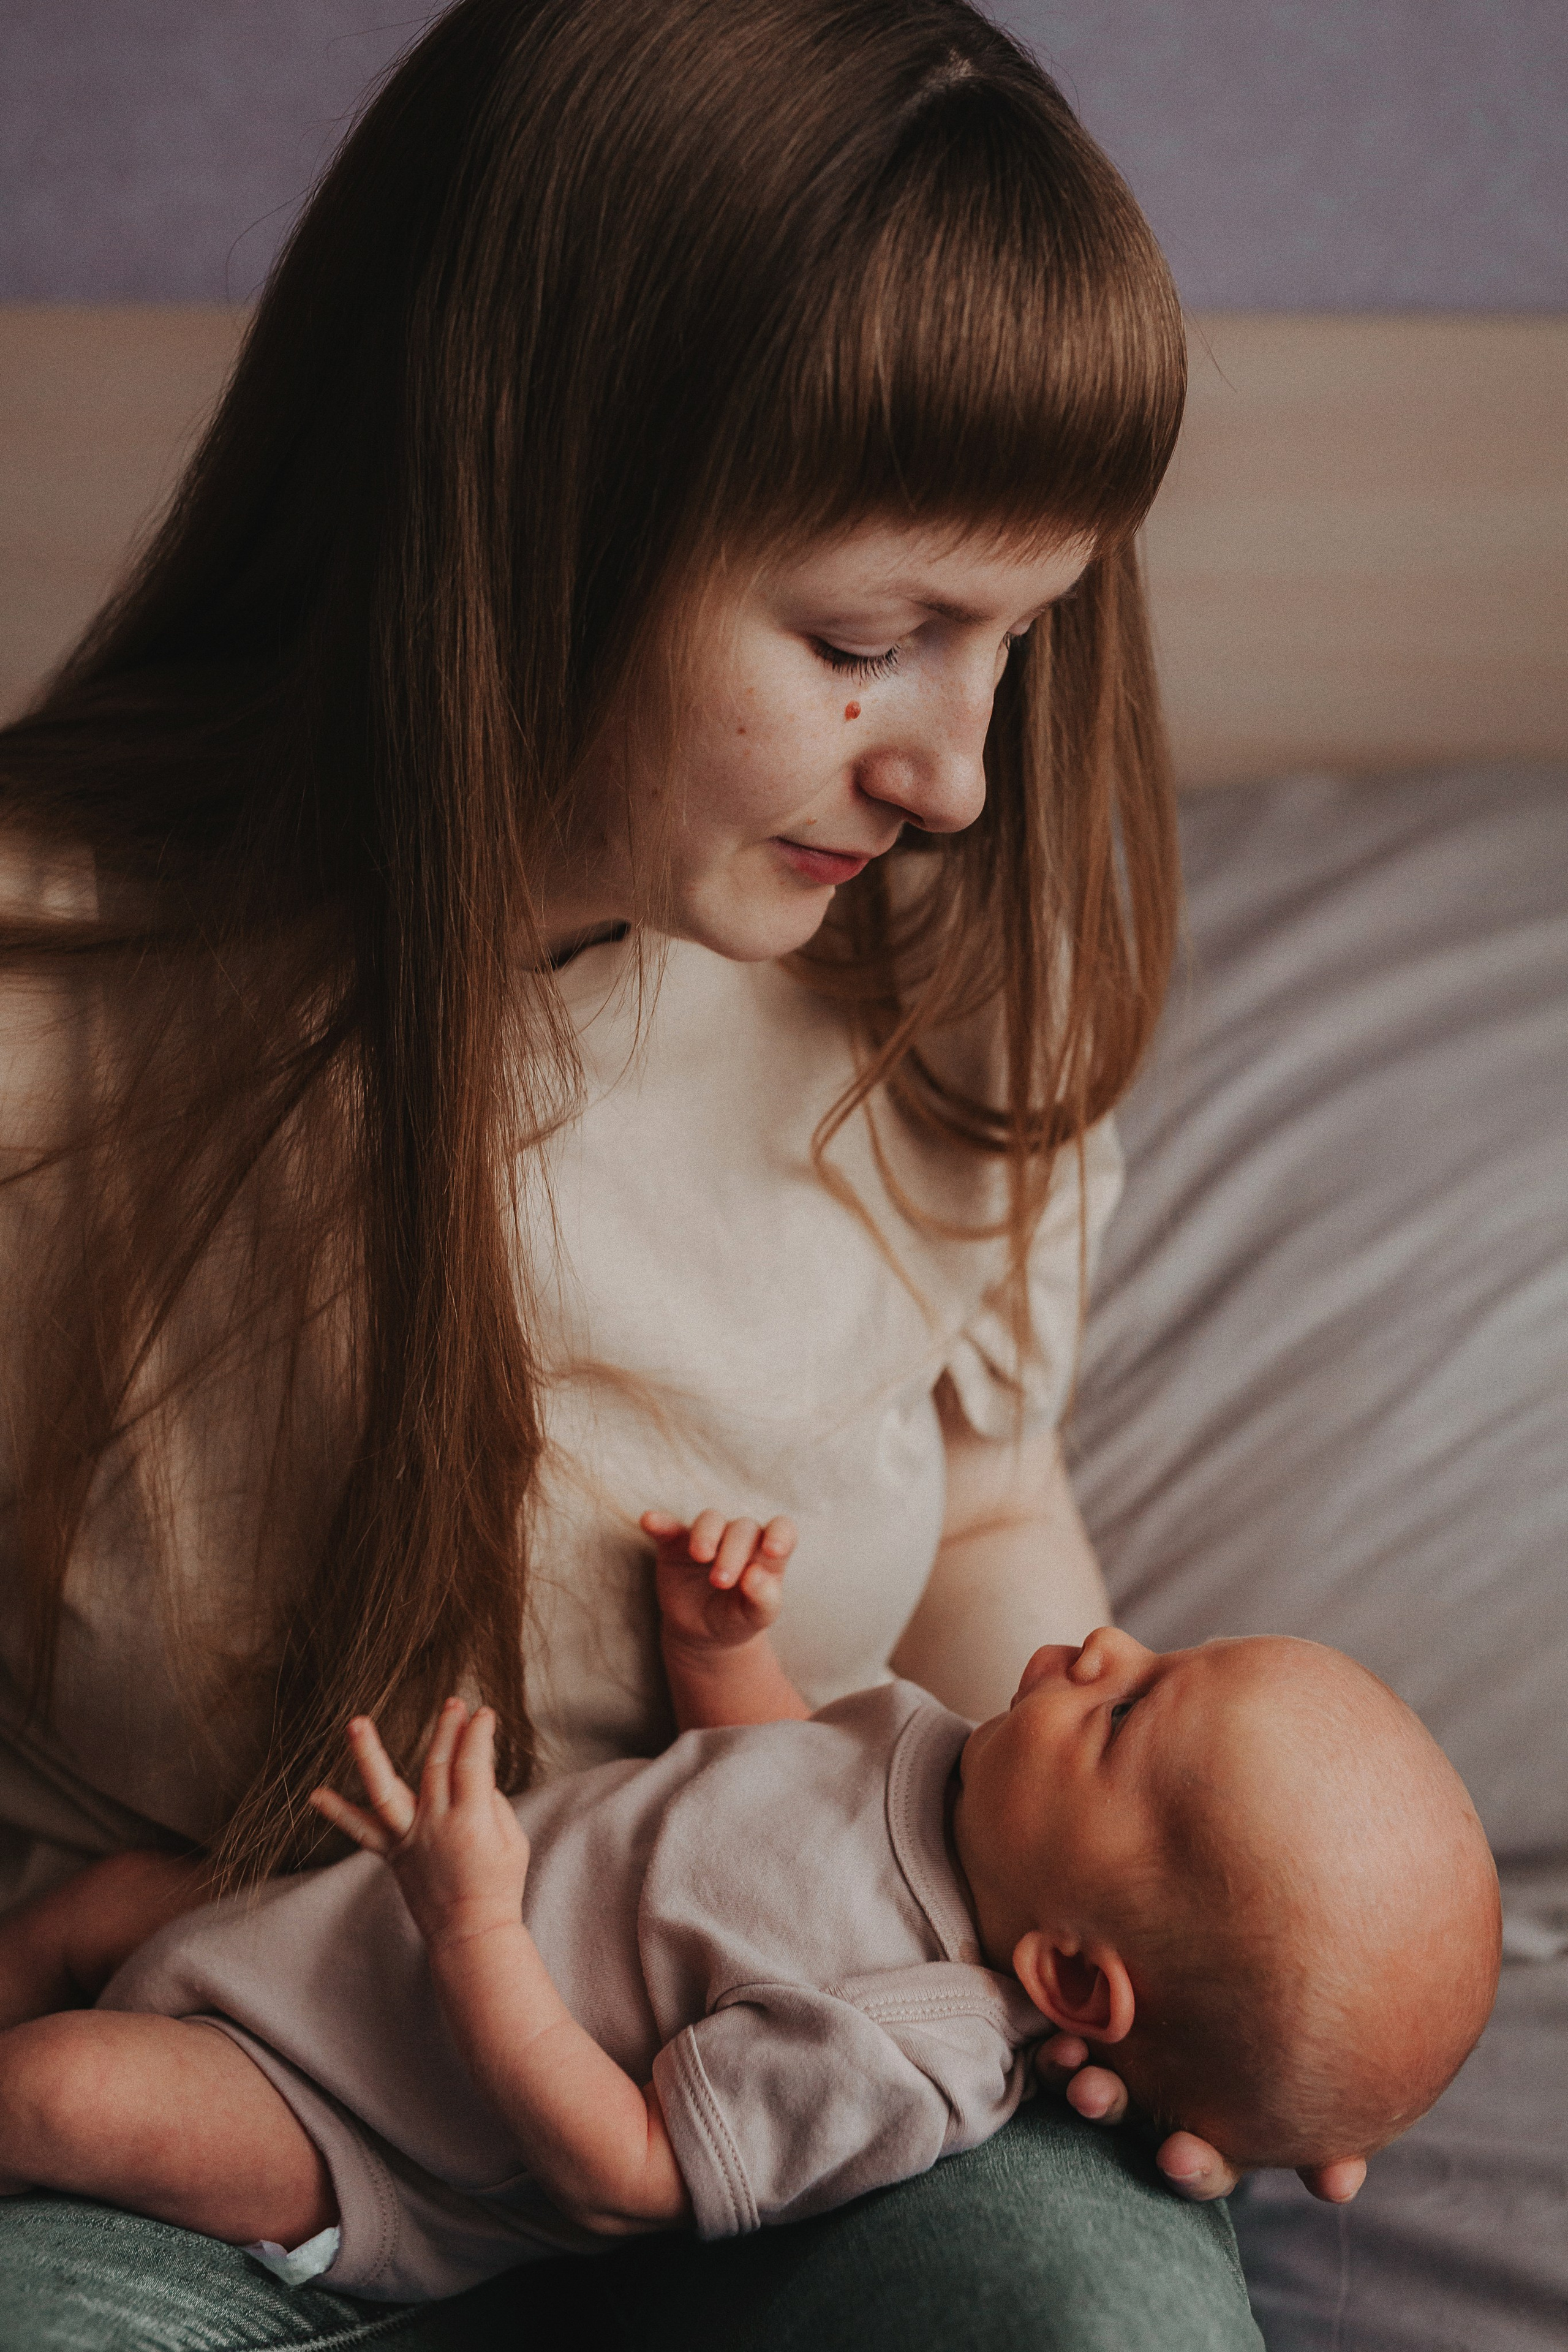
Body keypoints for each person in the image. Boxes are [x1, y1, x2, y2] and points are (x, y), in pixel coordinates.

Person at [0, 1, 1367, 2344]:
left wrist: (1179, 1943)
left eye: (1018, 642)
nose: (954, 768)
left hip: (808, 2093)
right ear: (524, 511)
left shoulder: (943, 991)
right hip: (227, 2084)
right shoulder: (56, 1011)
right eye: (872, 639)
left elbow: (989, 1525)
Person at [0, 1517, 1499, 2302]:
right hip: (343, 1936)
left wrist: (473, 1929)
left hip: (370, 2124)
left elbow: (627, 2175)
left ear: (1067, 1980)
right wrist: (718, 1650)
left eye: (1125, 1714)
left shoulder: (896, 2051)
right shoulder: (941, 1764)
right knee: (108, 1905)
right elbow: (761, 1791)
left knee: (59, 2090)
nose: (1102, 1640)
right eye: (1157, 1648)